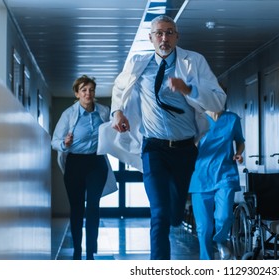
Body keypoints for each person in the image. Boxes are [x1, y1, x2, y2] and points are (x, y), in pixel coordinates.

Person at [110, 15, 226, 260]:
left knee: (174, 214)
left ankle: (175, 214)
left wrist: (188, 89)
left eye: (169, 32)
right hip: (153, 147)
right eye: (159, 33)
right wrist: (117, 111)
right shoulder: (138, 63)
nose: (164, 38)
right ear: (150, 37)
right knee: (159, 213)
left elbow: (218, 99)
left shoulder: (194, 61)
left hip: (185, 149)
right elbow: (119, 88)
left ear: (177, 36)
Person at [51, 75, 111, 260]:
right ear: (77, 94)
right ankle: (77, 250)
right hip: (75, 164)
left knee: (93, 206)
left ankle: (91, 250)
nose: (88, 93)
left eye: (91, 90)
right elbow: (54, 141)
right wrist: (65, 143)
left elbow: (114, 131)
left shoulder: (104, 111)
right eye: (84, 90)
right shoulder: (68, 114)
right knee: (77, 208)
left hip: (96, 163)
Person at [189, 109, 245, 260]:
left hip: (225, 174)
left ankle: (220, 240)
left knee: (225, 216)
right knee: (204, 227)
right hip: (200, 176)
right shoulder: (196, 118)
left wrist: (239, 153)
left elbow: (240, 140)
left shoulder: (232, 119)